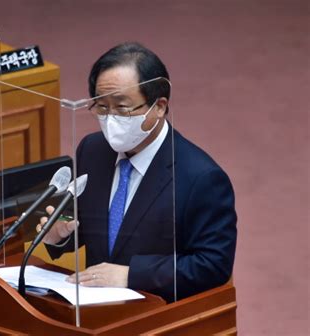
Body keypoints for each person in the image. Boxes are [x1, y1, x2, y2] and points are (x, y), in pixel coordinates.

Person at [39, 42, 237, 302]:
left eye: (122, 108)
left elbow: (212, 265)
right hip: (95, 314)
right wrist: (59, 237)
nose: (110, 119)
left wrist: (132, 275)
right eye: (101, 106)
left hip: (158, 315)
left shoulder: (202, 178)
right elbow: (98, 230)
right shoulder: (92, 150)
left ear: (160, 106)